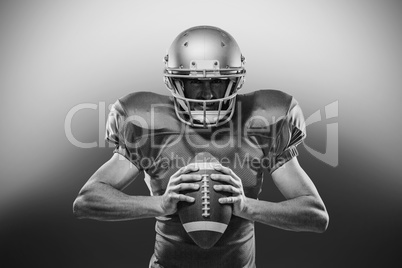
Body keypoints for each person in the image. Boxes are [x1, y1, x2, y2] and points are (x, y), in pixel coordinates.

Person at [73, 25, 329, 268]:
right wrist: (160, 204)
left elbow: (315, 215)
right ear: (175, 82)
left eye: (217, 81)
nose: (207, 94)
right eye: (195, 81)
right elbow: (87, 200)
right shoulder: (147, 124)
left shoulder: (262, 121)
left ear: (235, 80)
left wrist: (247, 206)